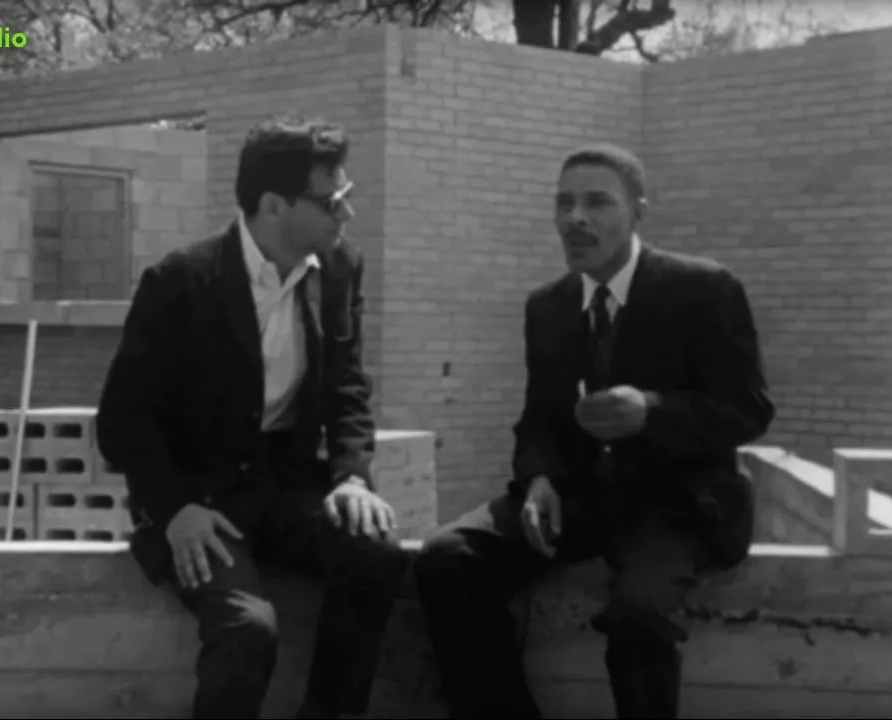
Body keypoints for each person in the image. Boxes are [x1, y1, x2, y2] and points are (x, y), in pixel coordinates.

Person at [413, 142, 776, 719]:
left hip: (677, 505)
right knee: (447, 557)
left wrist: (651, 410)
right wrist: (539, 479)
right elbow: (539, 419)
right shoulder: (547, 306)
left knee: (639, 615)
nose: (575, 218)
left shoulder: (704, 289)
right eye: (564, 204)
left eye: (597, 203)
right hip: (582, 499)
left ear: (637, 213)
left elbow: (749, 408)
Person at [96, 113, 408, 719]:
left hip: (285, 488)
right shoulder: (181, 281)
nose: (346, 214)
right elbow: (122, 421)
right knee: (248, 628)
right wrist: (173, 508)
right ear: (272, 206)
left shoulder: (339, 269)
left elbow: (346, 386)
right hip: (197, 499)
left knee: (379, 556)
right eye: (331, 202)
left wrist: (352, 475)